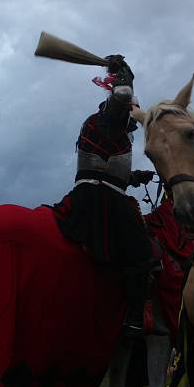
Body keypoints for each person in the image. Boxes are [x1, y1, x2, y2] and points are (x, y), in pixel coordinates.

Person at [53, 54, 157, 337]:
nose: (135, 113)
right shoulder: (107, 120)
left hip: (103, 192)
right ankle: (135, 319)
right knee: (143, 253)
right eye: (133, 108)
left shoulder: (117, 134)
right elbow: (123, 95)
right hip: (100, 201)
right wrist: (126, 77)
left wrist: (135, 178)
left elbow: (109, 169)